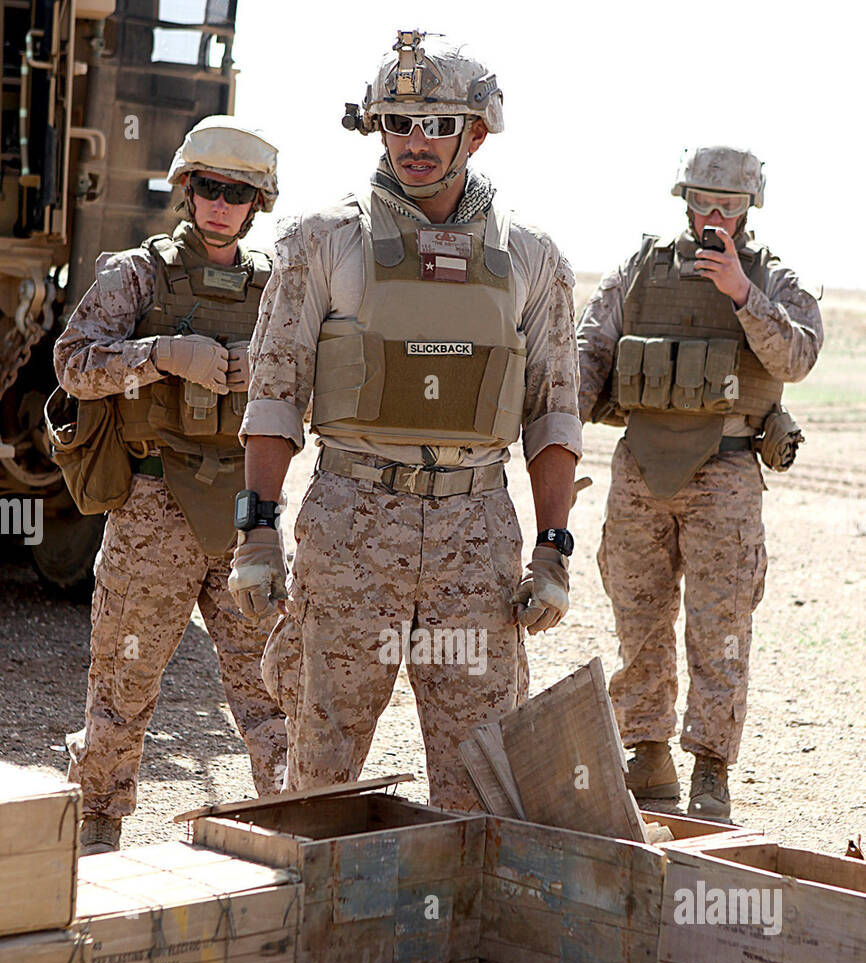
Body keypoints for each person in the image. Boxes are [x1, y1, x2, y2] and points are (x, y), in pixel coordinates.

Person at [228, 29, 584, 811]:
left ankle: (465, 894)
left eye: (437, 125)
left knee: (482, 777)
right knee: (321, 768)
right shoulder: (322, 241)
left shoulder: (532, 255)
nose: (415, 143)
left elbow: (553, 412)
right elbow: (275, 393)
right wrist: (257, 531)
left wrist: (553, 548)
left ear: (477, 133)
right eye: (397, 123)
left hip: (475, 529)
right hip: (351, 522)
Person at [55, 116, 286, 853]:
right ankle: (99, 821)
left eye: (238, 193)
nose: (221, 204)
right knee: (124, 677)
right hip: (155, 504)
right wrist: (159, 355)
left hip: (248, 507)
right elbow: (73, 365)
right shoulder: (135, 275)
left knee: (272, 683)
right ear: (187, 189)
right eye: (209, 187)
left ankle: (292, 819)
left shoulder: (276, 288)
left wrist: (266, 374)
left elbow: (316, 388)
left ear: (258, 203)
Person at [577, 146, 823, 821]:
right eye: (703, 202)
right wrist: (558, 436)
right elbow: (590, 350)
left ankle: (711, 767)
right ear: (683, 201)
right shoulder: (641, 269)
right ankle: (647, 752)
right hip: (640, 467)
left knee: (721, 626)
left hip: (727, 468)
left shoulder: (772, 278)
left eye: (729, 205)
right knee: (638, 618)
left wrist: (743, 295)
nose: (715, 216)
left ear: (750, 208)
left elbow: (798, 357)